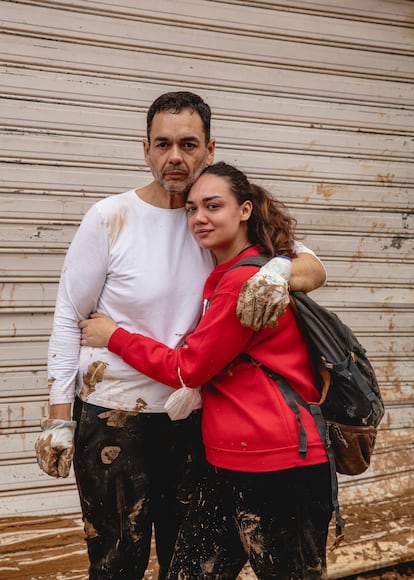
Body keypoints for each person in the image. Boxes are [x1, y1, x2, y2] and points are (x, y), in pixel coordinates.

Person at [35, 92, 327, 579]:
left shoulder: (219, 217)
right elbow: (70, 315)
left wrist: (276, 271)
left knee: (182, 558)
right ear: (145, 149)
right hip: (113, 418)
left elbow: (314, 267)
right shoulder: (109, 218)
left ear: (209, 149)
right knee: (114, 562)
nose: (176, 157)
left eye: (188, 144)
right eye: (163, 144)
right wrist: (59, 417)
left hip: (191, 421)